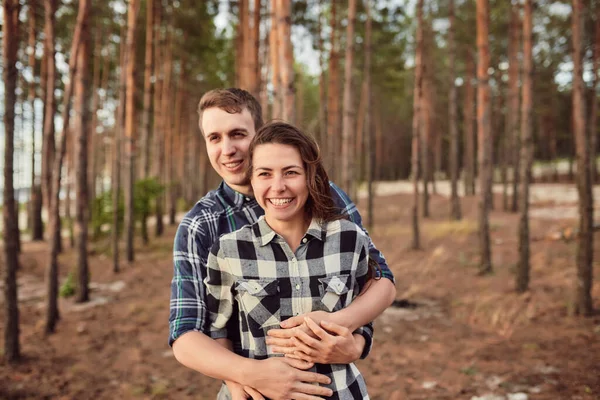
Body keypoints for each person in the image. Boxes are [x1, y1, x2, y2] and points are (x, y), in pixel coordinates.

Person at [169, 88, 396, 399]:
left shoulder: (323, 196)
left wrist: (355, 342)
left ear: (259, 135)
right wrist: (245, 377)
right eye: (215, 138)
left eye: (237, 134)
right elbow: (187, 331)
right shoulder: (203, 226)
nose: (228, 149)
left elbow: (372, 279)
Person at [206, 121, 377, 399]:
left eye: (291, 172)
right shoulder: (228, 250)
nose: (278, 186)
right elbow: (218, 330)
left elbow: (363, 315)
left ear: (310, 175)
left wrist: (358, 342)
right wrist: (235, 380)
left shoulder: (349, 238)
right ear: (252, 179)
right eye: (264, 174)